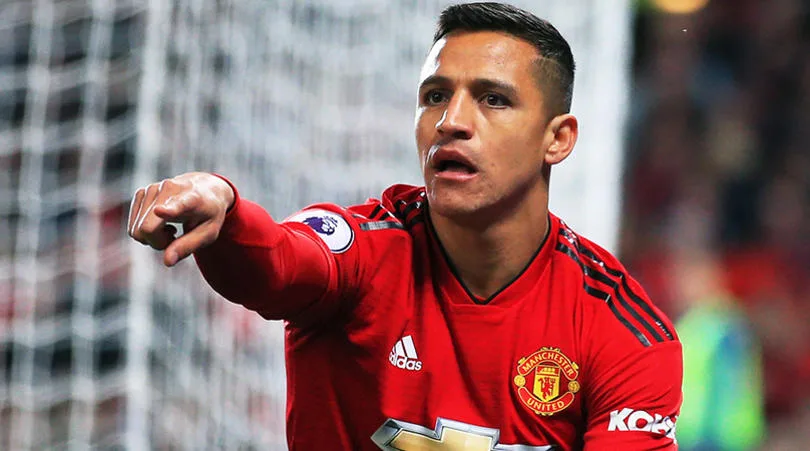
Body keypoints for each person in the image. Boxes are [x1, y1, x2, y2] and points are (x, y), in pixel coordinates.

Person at [127, 3, 682, 450]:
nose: (451, 122)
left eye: (493, 100)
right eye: (435, 97)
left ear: (557, 138)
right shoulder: (365, 251)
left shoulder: (621, 332)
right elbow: (277, 264)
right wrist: (226, 210)